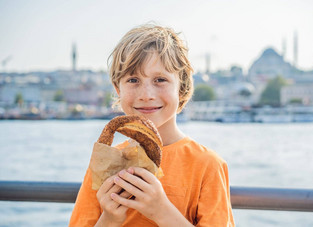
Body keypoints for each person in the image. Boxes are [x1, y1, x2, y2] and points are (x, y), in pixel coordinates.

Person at [69, 24, 235, 227]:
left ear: (181, 89)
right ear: (117, 89)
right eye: (133, 80)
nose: (146, 94)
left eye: (160, 79)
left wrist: (161, 211)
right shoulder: (103, 165)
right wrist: (110, 219)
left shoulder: (208, 165)